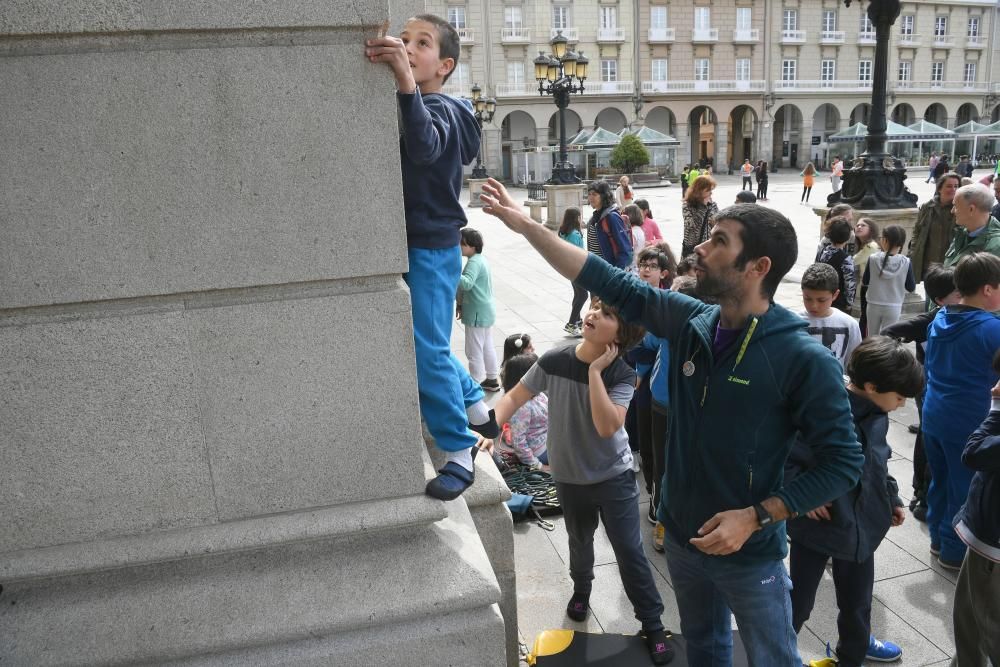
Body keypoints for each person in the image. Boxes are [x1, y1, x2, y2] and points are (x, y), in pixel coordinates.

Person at [479, 179, 864, 667]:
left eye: (719, 241)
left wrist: (757, 516)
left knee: (773, 658)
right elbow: (606, 277)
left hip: (749, 553)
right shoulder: (691, 320)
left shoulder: (801, 357)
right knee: (704, 649)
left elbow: (844, 462)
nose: (700, 248)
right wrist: (526, 225)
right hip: (683, 537)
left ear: (758, 268)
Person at [491, 299, 675, 666]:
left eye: (608, 314)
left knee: (629, 551)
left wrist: (594, 374)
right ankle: (581, 588)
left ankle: (652, 624)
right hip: (569, 477)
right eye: (596, 306)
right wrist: (486, 429)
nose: (593, 314)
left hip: (614, 477)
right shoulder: (555, 359)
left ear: (621, 336)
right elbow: (514, 396)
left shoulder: (621, 373)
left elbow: (609, 426)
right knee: (579, 540)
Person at [365, 14, 496, 500]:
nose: (407, 47)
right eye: (403, 40)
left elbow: (424, 149)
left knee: (425, 352)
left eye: (420, 43)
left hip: (430, 246)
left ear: (444, 65)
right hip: (420, 244)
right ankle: (475, 405)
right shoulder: (438, 105)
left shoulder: (443, 107)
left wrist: (403, 81)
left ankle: (461, 448)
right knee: (431, 344)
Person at [787, 336, 921, 667]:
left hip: (862, 527)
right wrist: (801, 494)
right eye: (900, 397)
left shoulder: (878, 412)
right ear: (872, 386)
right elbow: (784, 456)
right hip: (818, 528)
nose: (903, 404)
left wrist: (891, 496)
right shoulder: (825, 410)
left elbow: (880, 460)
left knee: (858, 603)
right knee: (798, 602)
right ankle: (774, 652)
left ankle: (853, 655)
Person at [922, 252, 1000, 570]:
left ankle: (939, 541)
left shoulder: (941, 317)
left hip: (934, 415)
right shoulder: (991, 330)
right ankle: (955, 552)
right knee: (963, 488)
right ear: (987, 290)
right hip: (968, 422)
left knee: (939, 482)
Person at [883, 264, 961, 522]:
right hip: (928, 390)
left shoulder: (971, 318)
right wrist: (903, 367)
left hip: (950, 394)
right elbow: (889, 333)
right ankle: (921, 492)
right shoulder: (930, 320)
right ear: (940, 300)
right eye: (958, 293)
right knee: (928, 439)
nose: (964, 296)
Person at [950, 348, 1000, 666]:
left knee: (989, 629)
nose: (996, 386)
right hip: (986, 538)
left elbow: (974, 453)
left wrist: (996, 409)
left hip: (993, 546)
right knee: (968, 619)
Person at [631, 245, 675, 552]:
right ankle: (655, 498)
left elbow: (648, 344)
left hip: (657, 389)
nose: (646, 269)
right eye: (642, 264)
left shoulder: (671, 307)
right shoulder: (632, 299)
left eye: (652, 265)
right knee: (649, 448)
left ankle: (664, 507)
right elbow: (635, 344)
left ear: (664, 273)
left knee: (667, 455)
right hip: (645, 388)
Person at [457, 228, 499, 391]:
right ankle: (492, 379)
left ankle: (474, 383)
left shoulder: (474, 262)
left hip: (476, 313)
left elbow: (466, 283)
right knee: (487, 346)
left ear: (472, 246)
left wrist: (452, 272)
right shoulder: (481, 259)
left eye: (462, 243)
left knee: (473, 350)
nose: (459, 246)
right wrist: (460, 304)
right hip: (485, 311)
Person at [799, 263, 862, 368]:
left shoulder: (849, 324)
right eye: (808, 298)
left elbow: (853, 363)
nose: (814, 306)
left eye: (821, 300)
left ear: (835, 295)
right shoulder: (794, 321)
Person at [495, 353, 548, 470]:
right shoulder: (522, 407)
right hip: (540, 451)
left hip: (549, 440)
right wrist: (538, 465)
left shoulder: (538, 394)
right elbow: (519, 442)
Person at [863, 225, 915, 335]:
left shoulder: (873, 259)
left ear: (885, 240)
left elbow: (865, 281)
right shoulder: (906, 262)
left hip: (873, 304)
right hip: (894, 305)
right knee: (888, 339)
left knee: (872, 337)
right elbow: (911, 287)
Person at [909, 172, 960, 284]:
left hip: (951, 266)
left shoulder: (960, 208)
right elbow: (917, 231)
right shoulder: (927, 207)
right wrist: (913, 251)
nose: (953, 189)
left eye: (956, 186)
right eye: (949, 186)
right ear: (939, 188)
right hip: (930, 266)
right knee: (930, 298)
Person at [943, 183, 1000, 268]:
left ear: (971, 209)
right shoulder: (963, 232)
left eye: (955, 206)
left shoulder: (995, 246)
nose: (952, 211)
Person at [587, 181, 632, 269]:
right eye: (589, 194)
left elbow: (625, 249)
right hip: (596, 269)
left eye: (594, 194)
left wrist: (615, 274)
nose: (591, 197)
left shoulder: (612, 217)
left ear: (604, 196)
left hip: (608, 271)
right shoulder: (594, 217)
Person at [816, 218, 857, 314]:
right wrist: (849, 302)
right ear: (847, 237)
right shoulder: (846, 259)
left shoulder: (822, 251)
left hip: (820, 294)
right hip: (837, 300)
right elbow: (850, 283)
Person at [559, 207, 587, 336]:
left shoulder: (563, 232)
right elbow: (579, 253)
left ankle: (578, 321)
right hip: (578, 269)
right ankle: (571, 324)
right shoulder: (575, 234)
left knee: (578, 294)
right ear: (576, 218)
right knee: (583, 295)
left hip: (568, 268)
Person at [853, 218, 881, 335]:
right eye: (857, 225)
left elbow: (853, 261)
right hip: (869, 286)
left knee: (865, 319)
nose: (859, 227)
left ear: (871, 229)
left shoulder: (871, 247)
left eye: (863, 225)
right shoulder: (867, 245)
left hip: (870, 287)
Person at [681, 175, 718, 256]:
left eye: (711, 190)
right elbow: (691, 225)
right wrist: (702, 207)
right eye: (708, 190)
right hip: (692, 247)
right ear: (699, 190)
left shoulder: (713, 205)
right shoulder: (687, 206)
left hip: (708, 246)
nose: (711, 193)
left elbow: (717, 225)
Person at [623, 204, 647, 270]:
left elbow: (628, 249)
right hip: (637, 264)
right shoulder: (639, 230)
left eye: (624, 213)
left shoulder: (632, 232)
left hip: (631, 266)